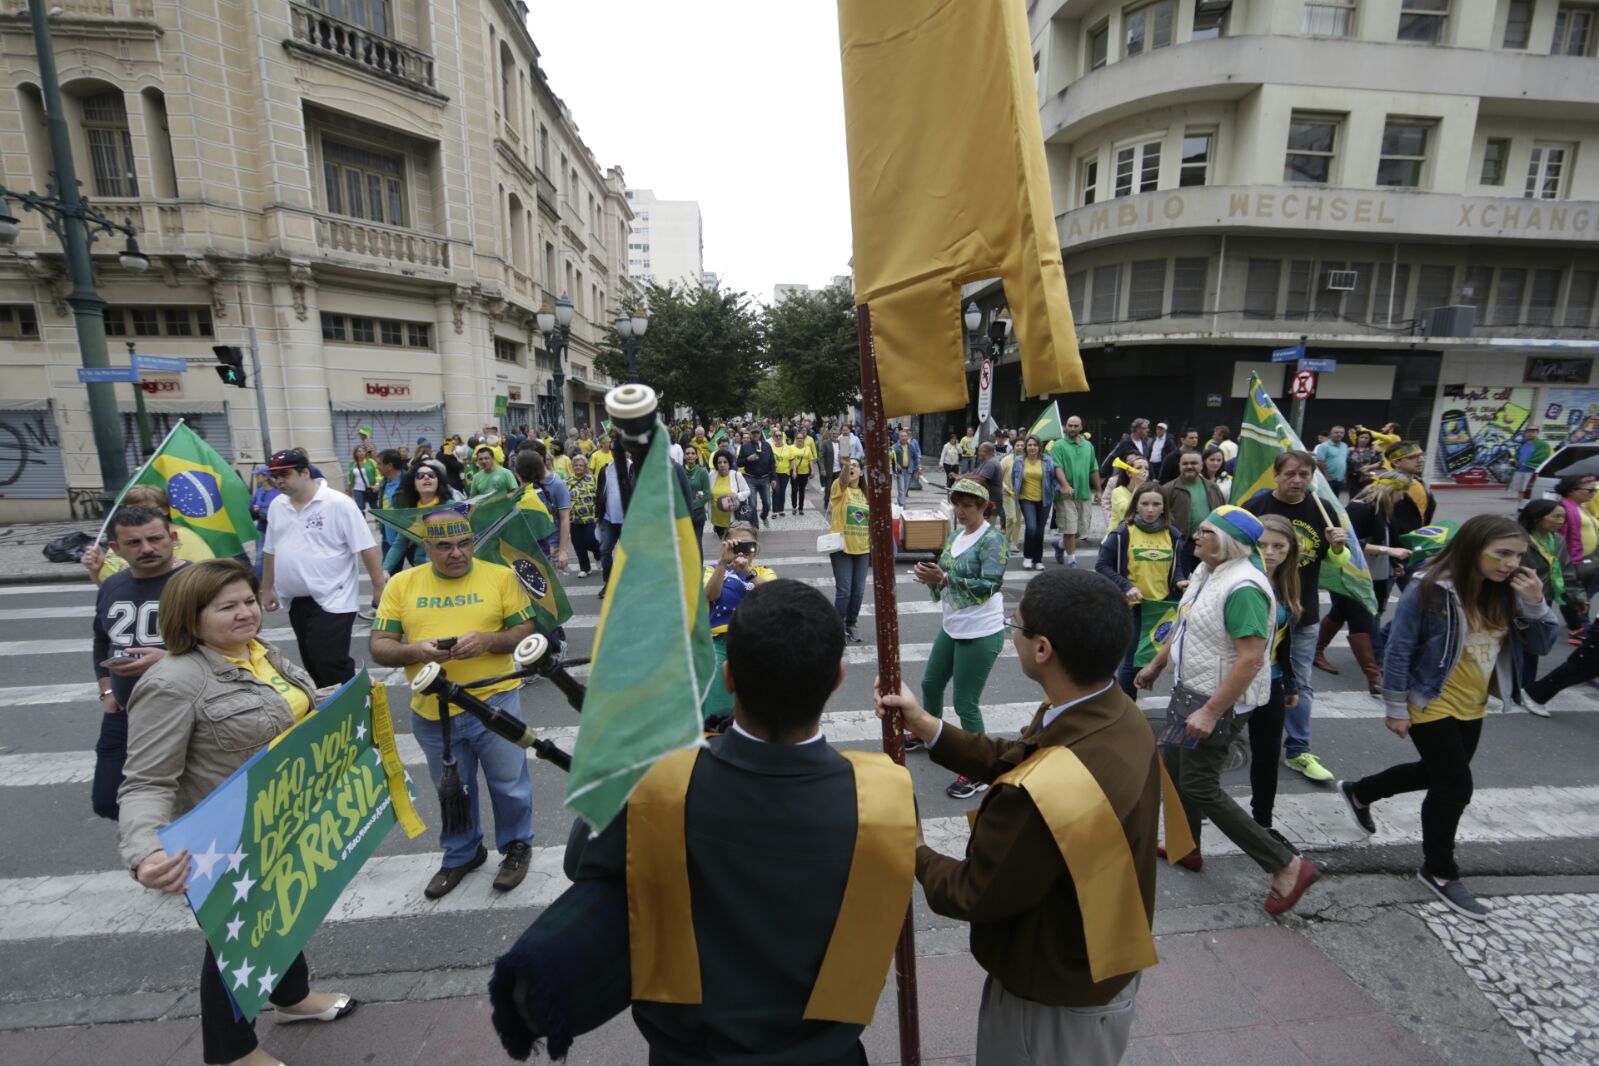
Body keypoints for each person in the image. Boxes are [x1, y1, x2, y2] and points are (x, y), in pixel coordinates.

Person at [878, 567, 1163, 1066]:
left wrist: (915, 848)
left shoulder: (1043, 793)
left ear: (1043, 649)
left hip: (1050, 996)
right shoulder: (1114, 712)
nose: (1012, 632)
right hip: (1099, 960)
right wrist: (928, 726)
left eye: (1018, 624)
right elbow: (1022, 755)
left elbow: (973, 892)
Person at [119, 559, 356, 1065]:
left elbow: (296, 707)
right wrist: (144, 853)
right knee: (236, 942)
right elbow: (145, 781)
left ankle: (291, 999)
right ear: (192, 617)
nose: (246, 612)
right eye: (227, 607)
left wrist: (346, 698)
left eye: (248, 600)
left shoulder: (260, 653)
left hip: (286, 817)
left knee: (289, 910)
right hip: (227, 838)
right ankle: (232, 1051)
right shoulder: (174, 682)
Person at [1339, 515, 1555, 920]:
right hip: (1430, 699)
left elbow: (1540, 646)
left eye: (1518, 555)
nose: (1510, 563)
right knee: (1455, 787)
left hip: (1474, 703)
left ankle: (1360, 791)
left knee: (1434, 773)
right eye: (1502, 553)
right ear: (1474, 548)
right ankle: (1438, 871)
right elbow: (1400, 648)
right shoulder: (1429, 589)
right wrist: (1395, 707)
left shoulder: (1509, 591)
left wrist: (1535, 602)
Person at [1135, 507, 1320, 914]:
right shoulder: (1207, 571)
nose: (1195, 536)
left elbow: (1252, 660)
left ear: (1229, 541)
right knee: (1172, 764)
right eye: (1198, 529)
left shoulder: (1245, 587)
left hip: (1216, 702)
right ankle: (1188, 846)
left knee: (1200, 784)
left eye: (1205, 531)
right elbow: (1184, 622)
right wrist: (1158, 663)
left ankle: (1286, 865)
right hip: (1190, 692)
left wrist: (1211, 712)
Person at [369, 510, 538, 898]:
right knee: (453, 791)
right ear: (425, 546)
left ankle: (516, 846)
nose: (457, 553)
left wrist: (487, 640)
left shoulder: (500, 576)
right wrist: (415, 650)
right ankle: (462, 853)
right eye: (443, 546)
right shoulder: (403, 584)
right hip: (434, 712)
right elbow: (379, 646)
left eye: (464, 543)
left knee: (510, 784)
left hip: (494, 702)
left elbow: (525, 629)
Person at [1242, 450, 1349, 783]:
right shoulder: (1255, 509)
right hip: (1257, 612)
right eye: (1290, 474)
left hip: (1303, 613)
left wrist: (1337, 547)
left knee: (1299, 684)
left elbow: (1336, 562)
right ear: (1276, 474)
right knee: (1243, 673)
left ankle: (1298, 750)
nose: (1298, 480)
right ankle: (1227, 734)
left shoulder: (1323, 509)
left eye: (1305, 474)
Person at [911, 479, 1010, 798]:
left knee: (966, 703)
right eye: (957, 504)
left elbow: (992, 584)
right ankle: (930, 733)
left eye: (968, 505)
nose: (961, 511)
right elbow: (943, 574)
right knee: (930, 684)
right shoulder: (956, 534)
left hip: (981, 630)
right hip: (953, 624)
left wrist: (946, 578)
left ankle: (978, 770)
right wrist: (931, 575)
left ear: (984, 507)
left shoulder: (993, 540)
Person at [89, 506, 187, 821]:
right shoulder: (112, 585)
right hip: (126, 711)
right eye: (133, 543)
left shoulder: (200, 582)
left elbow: (238, 645)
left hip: (185, 709)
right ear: (116, 549)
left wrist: (168, 659)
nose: (146, 548)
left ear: (172, 538)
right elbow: (102, 638)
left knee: (190, 797)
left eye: (155, 538)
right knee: (107, 799)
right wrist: (105, 689)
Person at [259, 449, 387, 687]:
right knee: (312, 661)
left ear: (304, 472)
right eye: (274, 476)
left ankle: (360, 703)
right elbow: (270, 550)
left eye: (284, 474)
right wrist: (267, 588)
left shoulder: (338, 503)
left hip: (334, 597)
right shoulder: (278, 505)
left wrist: (379, 586)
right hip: (296, 597)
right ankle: (330, 711)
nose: (279, 481)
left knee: (330, 660)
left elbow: (366, 547)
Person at [1316, 476, 1409, 696]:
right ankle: (1374, 676)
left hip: (1372, 574)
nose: (1403, 497)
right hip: (1350, 573)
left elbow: (1386, 539)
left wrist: (1393, 563)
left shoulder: (1381, 509)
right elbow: (1350, 541)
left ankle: (1316, 652)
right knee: (1361, 619)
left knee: (1340, 612)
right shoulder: (1361, 509)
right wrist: (1389, 553)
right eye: (1401, 492)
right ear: (1389, 491)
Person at [1244, 514, 1303, 851]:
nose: (1269, 552)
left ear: (1289, 550)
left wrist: (1291, 684)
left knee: (1267, 757)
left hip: (1272, 681)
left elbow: (1285, 641)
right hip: (1234, 682)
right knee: (1207, 761)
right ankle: (1189, 828)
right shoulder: (1239, 577)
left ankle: (1262, 824)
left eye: (1278, 547)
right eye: (1262, 544)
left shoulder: (1287, 583)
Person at [1098, 485, 1186, 696]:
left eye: (1156, 504)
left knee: (1148, 659)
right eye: (1144, 504)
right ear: (1135, 506)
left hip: (1159, 608)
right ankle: (1126, 708)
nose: (1150, 509)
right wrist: (1127, 586)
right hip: (1132, 607)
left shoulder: (1172, 535)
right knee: (1131, 660)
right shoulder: (1122, 533)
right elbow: (1102, 565)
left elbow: (1176, 569)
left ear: (1164, 508)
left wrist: (1180, 581)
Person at [1520, 501, 1591, 716]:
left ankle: (1525, 686)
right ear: (1537, 517)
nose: (1560, 522)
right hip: (1517, 598)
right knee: (1512, 642)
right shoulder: (1521, 540)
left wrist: (1577, 597)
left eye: (1562, 517)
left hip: (1543, 598)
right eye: (1555, 517)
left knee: (1533, 643)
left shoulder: (1557, 540)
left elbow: (1566, 571)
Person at [701, 522, 776, 721]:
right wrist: (722, 563)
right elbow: (710, 594)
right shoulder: (713, 569)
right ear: (727, 545)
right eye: (737, 545)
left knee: (755, 708)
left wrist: (748, 573)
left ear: (756, 548)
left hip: (756, 644)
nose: (742, 551)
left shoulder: (764, 571)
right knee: (717, 708)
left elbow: (774, 595)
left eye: (747, 545)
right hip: (721, 645)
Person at [82, 484, 217, 585]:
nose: (146, 548)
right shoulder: (124, 539)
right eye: (133, 509)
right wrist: (95, 570)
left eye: (155, 539)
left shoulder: (186, 538)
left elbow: (206, 578)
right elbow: (110, 588)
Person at [383, 458, 460, 572]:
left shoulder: (453, 508)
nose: (426, 477)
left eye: (431, 475)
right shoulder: (411, 513)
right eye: (420, 475)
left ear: (438, 481)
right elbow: (399, 544)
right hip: (422, 569)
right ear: (413, 484)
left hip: (450, 566)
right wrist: (384, 569)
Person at [1162, 450, 1226, 578]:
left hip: (1208, 543)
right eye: (1185, 463)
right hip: (1182, 545)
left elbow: (1222, 513)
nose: (1189, 466)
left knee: (1207, 581)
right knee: (1181, 583)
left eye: (1194, 463)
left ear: (1202, 465)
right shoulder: (1168, 489)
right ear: (1179, 465)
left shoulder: (1213, 488)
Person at [829, 456, 871, 643]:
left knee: (858, 591)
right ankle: (837, 627)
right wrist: (845, 466)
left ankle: (851, 624)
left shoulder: (866, 495)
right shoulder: (840, 488)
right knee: (844, 590)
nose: (852, 468)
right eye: (849, 465)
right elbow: (844, 480)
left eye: (856, 466)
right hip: (842, 548)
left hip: (863, 549)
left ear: (862, 472)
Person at [1049, 415, 1100, 567]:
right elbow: (1057, 466)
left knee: (1081, 531)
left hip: (1084, 493)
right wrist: (1064, 485)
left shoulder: (1088, 446)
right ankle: (1072, 559)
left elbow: (1094, 468)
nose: (1072, 428)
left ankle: (1059, 545)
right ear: (1065, 426)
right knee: (1069, 528)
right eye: (1070, 425)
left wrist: (1098, 490)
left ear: (1081, 427)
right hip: (1064, 495)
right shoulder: (1058, 445)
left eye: (1075, 426)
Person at [1385, 442, 1435, 587]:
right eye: (1412, 457)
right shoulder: (1386, 487)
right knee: (1375, 606)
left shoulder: (1419, 483)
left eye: (1421, 456)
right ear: (1396, 462)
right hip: (1392, 556)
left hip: (1417, 554)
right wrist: (1390, 557)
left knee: (1421, 603)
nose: (1420, 460)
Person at [514, 450, 571, 570]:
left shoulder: (557, 485)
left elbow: (565, 518)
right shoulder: (528, 489)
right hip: (533, 549)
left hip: (549, 546)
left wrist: (563, 551)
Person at [1013, 434, 1056, 571]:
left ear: (1039, 447)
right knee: (1031, 528)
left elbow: (1052, 478)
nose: (1032, 448)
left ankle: (1038, 560)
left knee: (1039, 531)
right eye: (1030, 445)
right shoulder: (1019, 460)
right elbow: (1015, 479)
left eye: (1035, 445)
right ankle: (1027, 557)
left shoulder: (1047, 460)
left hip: (1045, 500)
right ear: (1026, 446)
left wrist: (1062, 488)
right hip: (1026, 499)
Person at [708, 449, 751, 541]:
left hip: (733, 519)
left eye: (725, 462)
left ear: (729, 463)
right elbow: (708, 493)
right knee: (724, 545)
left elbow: (747, 491)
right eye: (719, 462)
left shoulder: (736, 475)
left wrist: (737, 495)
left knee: (734, 544)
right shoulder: (712, 476)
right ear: (716, 464)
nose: (722, 465)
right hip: (717, 519)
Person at [738, 427, 776, 528]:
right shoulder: (745, 447)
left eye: (757, 433)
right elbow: (739, 463)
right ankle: (755, 526)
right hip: (751, 479)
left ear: (760, 434)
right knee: (752, 504)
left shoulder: (767, 446)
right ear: (750, 434)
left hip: (765, 478)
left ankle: (763, 516)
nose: (755, 435)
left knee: (767, 503)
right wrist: (747, 459)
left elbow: (772, 462)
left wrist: (773, 478)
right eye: (753, 433)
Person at [681, 445, 712, 550]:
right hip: (682, 514)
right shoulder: (679, 471)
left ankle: (698, 566)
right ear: (684, 456)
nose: (690, 456)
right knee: (683, 545)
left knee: (696, 544)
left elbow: (707, 495)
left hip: (697, 514)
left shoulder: (702, 472)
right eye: (687, 453)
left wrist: (691, 505)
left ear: (696, 456)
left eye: (693, 453)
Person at [1106, 455, 1149, 531]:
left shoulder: (1149, 492)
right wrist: (1138, 485)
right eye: (1139, 468)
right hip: (1118, 537)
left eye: (1146, 468)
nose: (1144, 471)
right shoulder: (1118, 492)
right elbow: (1126, 515)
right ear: (1129, 473)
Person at [998, 442, 1023, 549]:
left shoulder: (1027, 460)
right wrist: (1006, 488)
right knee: (1011, 518)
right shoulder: (1006, 460)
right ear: (1013, 447)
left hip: (1021, 494)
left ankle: (1014, 541)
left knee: (1017, 519)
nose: (1020, 447)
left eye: (1022, 445)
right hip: (1007, 493)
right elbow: (998, 476)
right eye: (1018, 445)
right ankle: (1007, 540)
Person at [1314, 425, 1350, 499]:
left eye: (1341, 433)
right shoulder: (1324, 446)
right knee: (1325, 500)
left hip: (1339, 479)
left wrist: (1344, 476)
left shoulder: (1345, 446)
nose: (1339, 434)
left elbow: (1344, 461)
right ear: (1331, 434)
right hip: (1327, 479)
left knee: (1335, 500)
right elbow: (1319, 462)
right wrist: (1327, 476)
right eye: (1336, 432)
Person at [890, 426, 922, 508]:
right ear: (899, 437)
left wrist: (918, 467)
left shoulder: (911, 446)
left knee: (905, 488)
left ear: (907, 437)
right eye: (902, 436)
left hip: (909, 470)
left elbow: (915, 457)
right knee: (901, 488)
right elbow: (891, 459)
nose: (904, 438)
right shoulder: (895, 447)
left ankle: (900, 500)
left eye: (905, 436)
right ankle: (902, 504)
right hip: (900, 471)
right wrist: (895, 467)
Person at [790, 426, 815, 515]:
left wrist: (812, 471)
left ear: (803, 439)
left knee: (802, 490)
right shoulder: (791, 448)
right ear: (796, 439)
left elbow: (811, 460)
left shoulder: (807, 448)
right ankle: (794, 506)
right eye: (798, 438)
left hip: (804, 472)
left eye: (801, 438)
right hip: (794, 472)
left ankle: (801, 508)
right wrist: (794, 471)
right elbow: (790, 459)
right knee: (794, 490)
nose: (800, 439)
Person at [348, 444, 379, 511]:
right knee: (360, 507)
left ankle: (378, 520)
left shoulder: (371, 462)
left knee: (374, 506)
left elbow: (378, 474)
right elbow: (350, 477)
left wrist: (377, 483)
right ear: (355, 453)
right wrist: (350, 488)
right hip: (357, 488)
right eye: (359, 451)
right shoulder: (352, 464)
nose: (361, 453)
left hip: (371, 488)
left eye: (363, 451)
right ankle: (362, 521)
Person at [770, 430, 792, 518]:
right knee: (776, 491)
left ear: (783, 437)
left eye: (780, 436)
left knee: (782, 492)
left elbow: (792, 459)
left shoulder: (788, 448)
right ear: (774, 437)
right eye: (776, 436)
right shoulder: (770, 447)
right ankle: (775, 511)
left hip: (785, 473)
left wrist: (793, 471)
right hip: (774, 473)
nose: (778, 437)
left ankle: (781, 510)